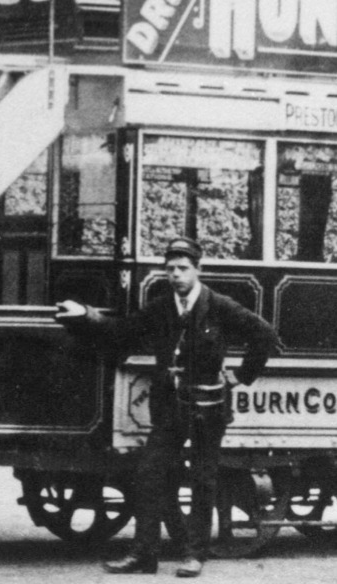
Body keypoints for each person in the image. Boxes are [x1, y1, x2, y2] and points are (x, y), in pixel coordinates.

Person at [56, 236, 278, 578]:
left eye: (182, 268)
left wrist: (242, 375)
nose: (175, 274)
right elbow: (122, 330)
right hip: (170, 407)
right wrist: (86, 315)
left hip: (208, 407)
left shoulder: (219, 305)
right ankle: (144, 555)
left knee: (203, 478)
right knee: (149, 474)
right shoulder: (162, 306)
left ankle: (195, 556)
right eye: (170, 268)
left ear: (197, 270)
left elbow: (263, 333)